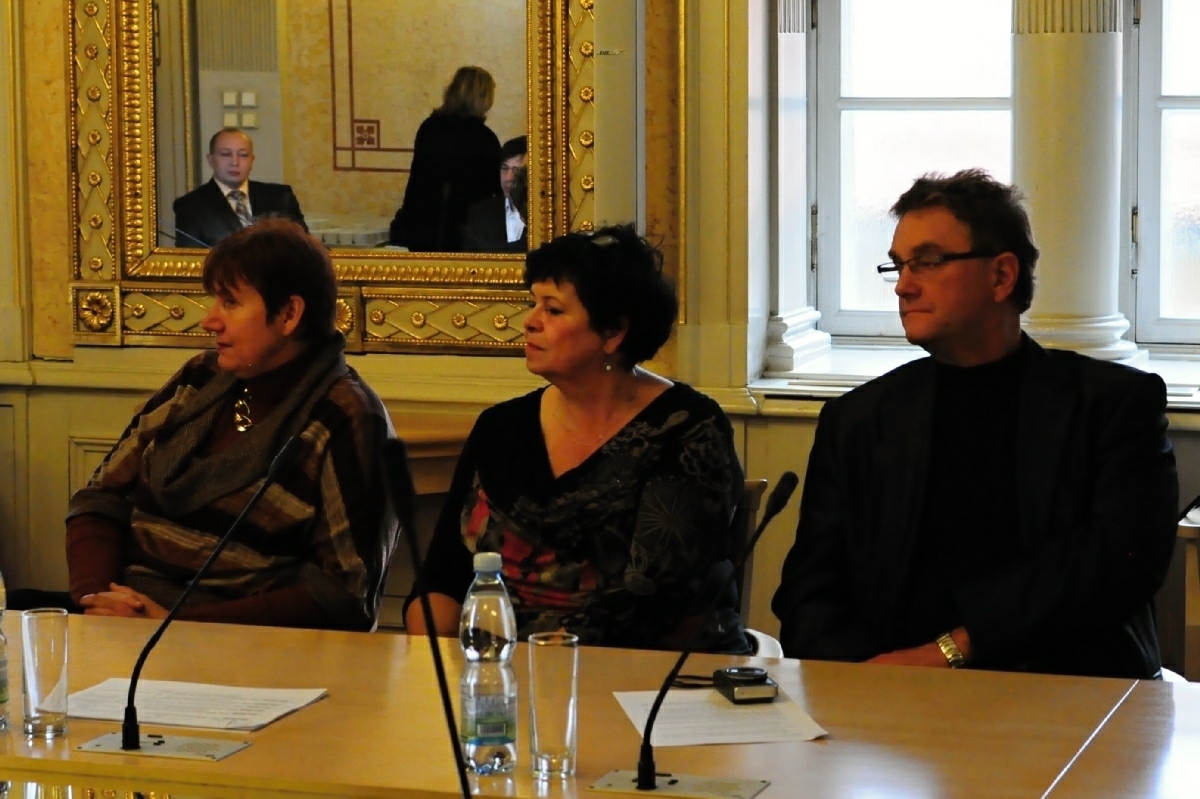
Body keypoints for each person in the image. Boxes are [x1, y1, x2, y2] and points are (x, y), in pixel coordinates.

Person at [772, 169, 1178, 679]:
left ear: (1001, 276)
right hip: (892, 696)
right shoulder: (857, 420)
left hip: (1065, 690)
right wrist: (867, 677)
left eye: (927, 262)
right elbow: (809, 592)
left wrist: (953, 649)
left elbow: (1117, 565)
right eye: (898, 266)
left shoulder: (1112, 405)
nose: (904, 286)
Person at [406, 225, 750, 653]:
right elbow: (444, 578)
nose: (530, 321)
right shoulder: (500, 427)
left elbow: (662, 601)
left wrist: (539, 657)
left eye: (553, 310)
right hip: (503, 666)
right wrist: (435, 658)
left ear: (613, 333)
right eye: (533, 303)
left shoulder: (686, 429)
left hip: (648, 672)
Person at [66, 219, 399, 629]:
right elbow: (99, 499)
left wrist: (178, 626)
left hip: (238, 644)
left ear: (289, 314)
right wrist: (97, 599)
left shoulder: (345, 416)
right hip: (117, 619)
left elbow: (343, 594)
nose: (210, 321)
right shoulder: (199, 378)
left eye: (230, 303)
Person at [388, 66, 501, 252]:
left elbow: (418, 180)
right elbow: (494, 188)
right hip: (465, 231)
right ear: (481, 97)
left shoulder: (429, 128)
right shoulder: (483, 138)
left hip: (422, 226)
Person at [173, 128, 308, 247]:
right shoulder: (190, 206)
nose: (235, 162)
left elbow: (304, 247)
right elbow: (191, 259)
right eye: (226, 154)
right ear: (211, 160)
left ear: (252, 160)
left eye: (243, 155)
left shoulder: (281, 197)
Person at [461, 135, 527, 252]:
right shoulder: (479, 214)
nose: (508, 178)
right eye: (504, 168)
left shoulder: (543, 214)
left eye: (516, 170)